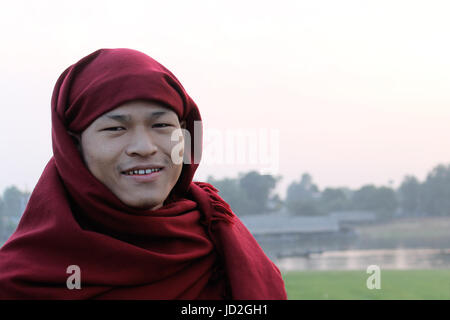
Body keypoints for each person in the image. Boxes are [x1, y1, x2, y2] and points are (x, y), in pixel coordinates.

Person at [0, 48, 287, 299]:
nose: (144, 147)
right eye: (115, 129)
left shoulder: (222, 248)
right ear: (73, 146)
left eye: (161, 126)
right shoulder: (23, 280)